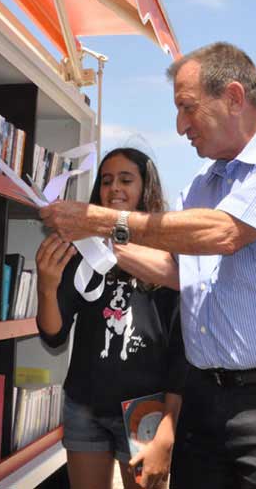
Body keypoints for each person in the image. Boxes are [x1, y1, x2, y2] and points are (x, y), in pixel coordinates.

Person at [40, 42, 256, 488]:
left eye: (187, 108)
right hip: (206, 401)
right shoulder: (202, 186)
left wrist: (102, 219)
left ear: (234, 98)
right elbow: (175, 268)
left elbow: (225, 233)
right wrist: (92, 233)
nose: (180, 125)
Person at [35, 147, 186, 489]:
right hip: (84, 405)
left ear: (145, 188)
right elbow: (54, 336)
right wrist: (46, 287)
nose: (114, 187)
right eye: (106, 180)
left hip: (144, 408)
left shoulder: (166, 254)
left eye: (125, 179)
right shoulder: (82, 249)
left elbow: (181, 348)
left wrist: (168, 425)